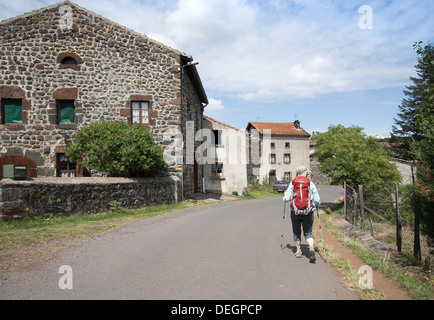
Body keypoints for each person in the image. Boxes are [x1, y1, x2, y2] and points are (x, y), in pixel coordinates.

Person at [283, 166, 321, 262]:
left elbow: (286, 198)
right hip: (308, 212)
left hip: (295, 212)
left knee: (296, 231)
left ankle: (298, 251)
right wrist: (315, 204)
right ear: (306, 173)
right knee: (308, 232)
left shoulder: (293, 184)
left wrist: (285, 196)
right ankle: (311, 247)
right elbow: (317, 200)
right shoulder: (310, 184)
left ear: (297, 173)